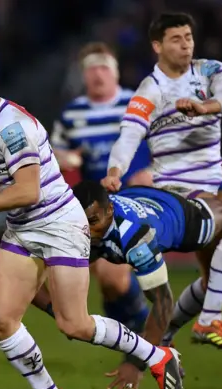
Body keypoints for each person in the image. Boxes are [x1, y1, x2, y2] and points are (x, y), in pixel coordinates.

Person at [0, 49, 183, 389]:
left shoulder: (11, 126)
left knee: (74, 324)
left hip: (60, 224)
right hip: (22, 229)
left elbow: (28, 191)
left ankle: (156, 356)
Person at [71, 127, 222, 389]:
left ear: (108, 211)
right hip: (145, 196)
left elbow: (163, 301)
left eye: (94, 223)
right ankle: (183, 330)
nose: (89, 230)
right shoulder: (81, 221)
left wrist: (138, 362)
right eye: (84, 223)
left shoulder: (136, 239)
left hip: (183, 219)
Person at [101, 12, 222, 353]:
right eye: (176, 39)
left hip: (213, 187)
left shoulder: (209, 70)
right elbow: (129, 136)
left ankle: (161, 339)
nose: (186, 45)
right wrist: (115, 171)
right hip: (178, 192)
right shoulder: (150, 90)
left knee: (219, 282)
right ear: (157, 45)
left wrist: (204, 107)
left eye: (188, 37)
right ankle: (209, 320)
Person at [51, 42, 152, 335]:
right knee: (108, 286)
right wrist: (64, 158)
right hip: (94, 209)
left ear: (115, 72)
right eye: (91, 68)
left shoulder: (138, 104)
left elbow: (170, 145)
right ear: (83, 75)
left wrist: (152, 172)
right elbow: (51, 154)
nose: (98, 74)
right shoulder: (72, 114)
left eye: (104, 67)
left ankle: (148, 332)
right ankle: (134, 337)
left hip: (136, 202)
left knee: (113, 277)